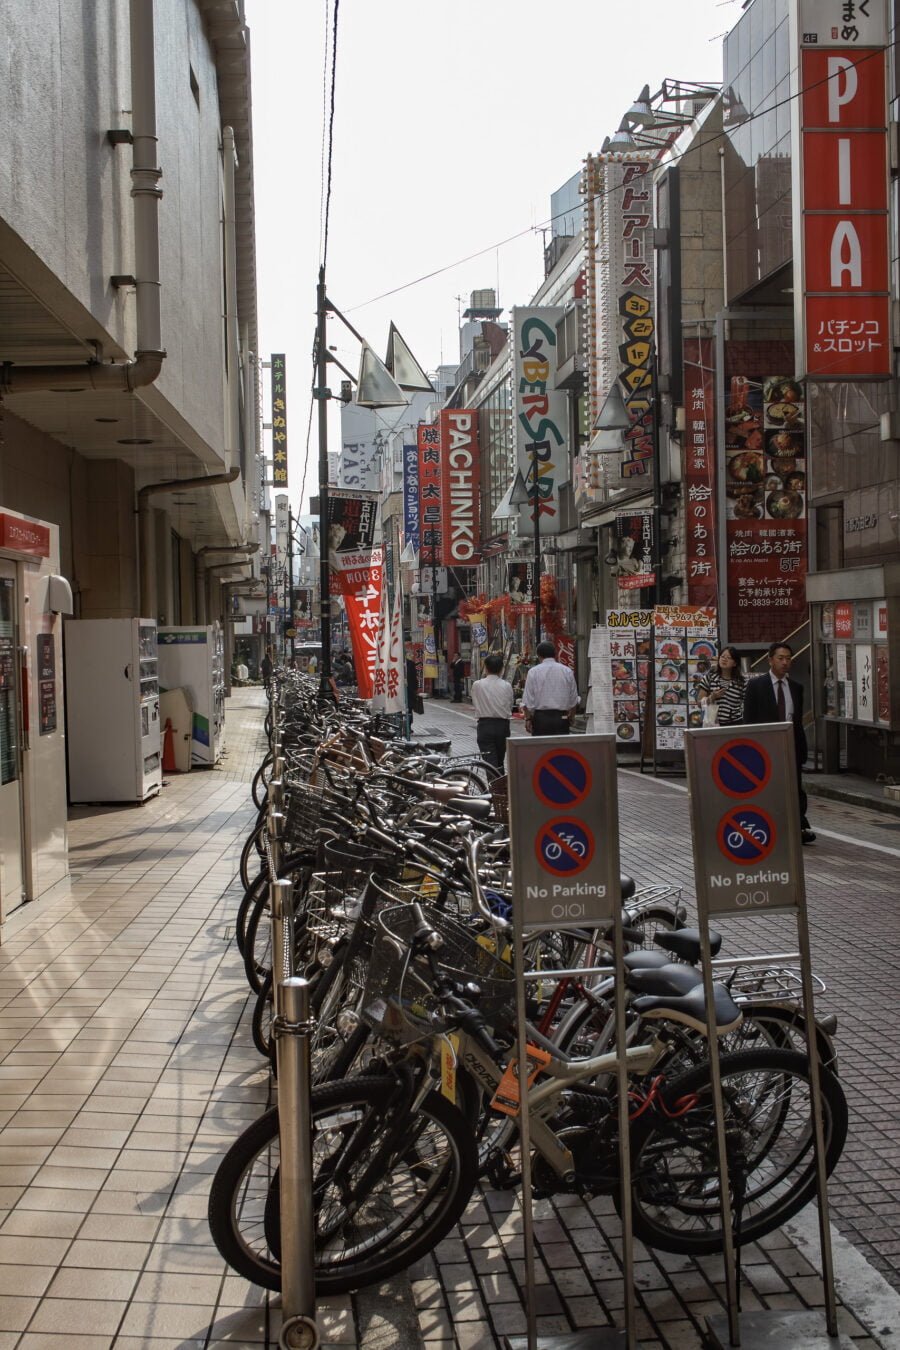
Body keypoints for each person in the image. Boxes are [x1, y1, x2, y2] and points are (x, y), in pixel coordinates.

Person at [741, 641, 815, 844]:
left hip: (791, 745)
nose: (785, 662)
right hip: (765, 747)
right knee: (768, 788)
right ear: (770, 660)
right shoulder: (756, 686)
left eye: (788, 658)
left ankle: (799, 826)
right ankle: (768, 825)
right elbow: (749, 720)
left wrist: (801, 748)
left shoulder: (796, 687)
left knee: (794, 788)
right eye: (780, 658)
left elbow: (797, 721)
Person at [522, 640, 579, 736]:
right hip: (562, 718)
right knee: (560, 749)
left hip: (541, 719)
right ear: (555, 654)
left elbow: (528, 700)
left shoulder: (533, 672)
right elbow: (574, 698)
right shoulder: (567, 671)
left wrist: (528, 718)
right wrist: (572, 715)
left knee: (543, 749)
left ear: (539, 655)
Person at [470, 652, 515, 770]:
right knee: (500, 761)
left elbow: (475, 702)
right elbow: (510, 704)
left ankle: (495, 787)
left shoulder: (477, 685)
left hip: (485, 725)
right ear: (501, 669)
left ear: (485, 668)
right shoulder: (507, 685)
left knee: (490, 764)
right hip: (503, 725)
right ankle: (500, 786)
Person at [697, 645, 745, 725]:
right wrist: (712, 697)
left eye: (729, 658)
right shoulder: (709, 678)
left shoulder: (742, 682)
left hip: (735, 724)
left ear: (735, 663)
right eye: (722, 656)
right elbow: (699, 703)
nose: (724, 659)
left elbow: (746, 705)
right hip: (713, 723)